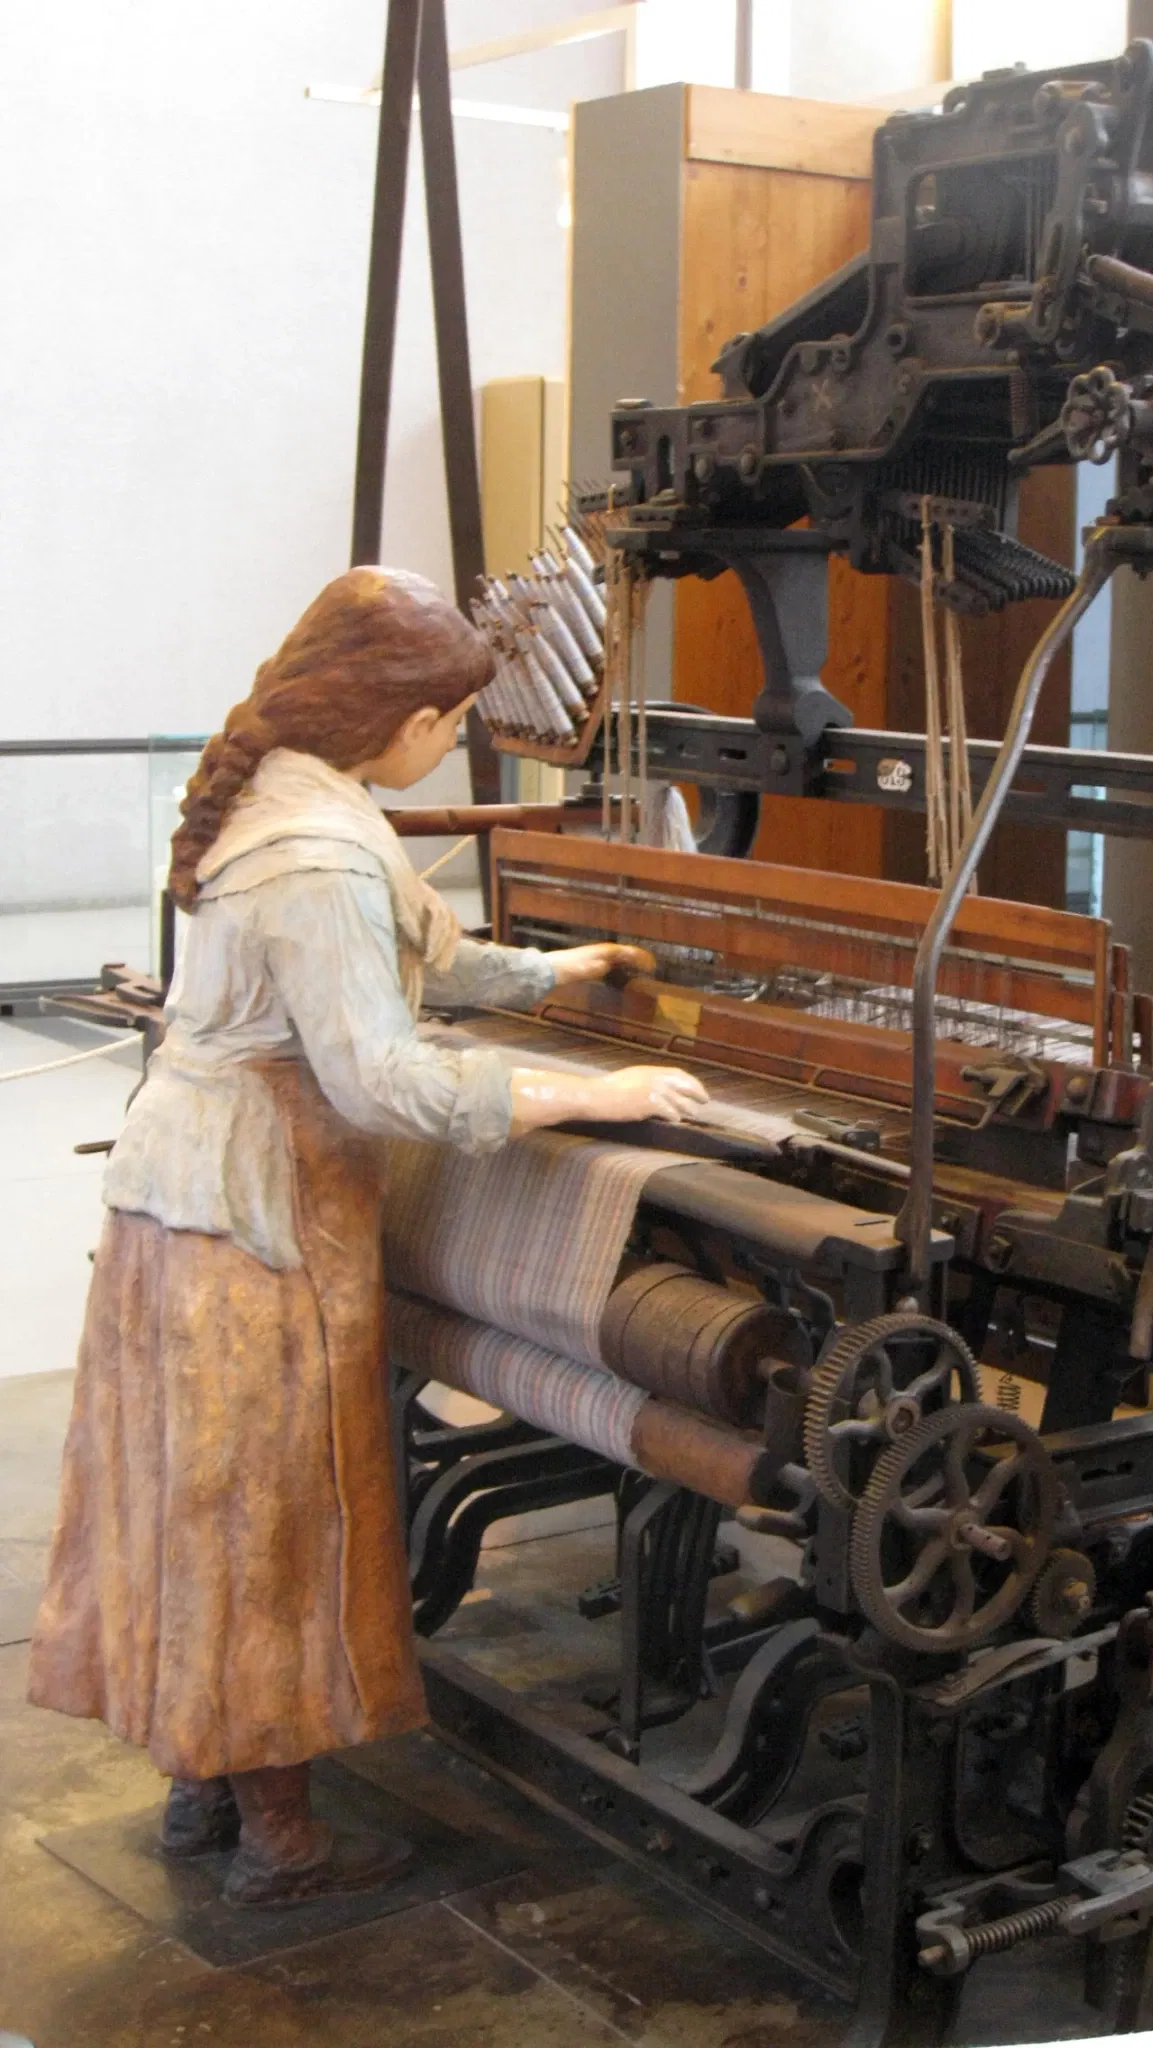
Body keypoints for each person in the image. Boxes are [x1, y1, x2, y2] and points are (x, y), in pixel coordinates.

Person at [26, 567, 708, 1907]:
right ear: (392, 717)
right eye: (447, 717)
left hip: (192, 1202)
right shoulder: (321, 846)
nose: (451, 742)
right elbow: (380, 1079)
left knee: (194, 1497)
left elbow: (410, 958)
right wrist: (592, 1092)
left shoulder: (290, 795)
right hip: (259, 1218)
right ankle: (281, 1842)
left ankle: (201, 1784)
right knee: (266, 1515)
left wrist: (553, 974)